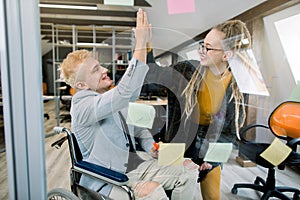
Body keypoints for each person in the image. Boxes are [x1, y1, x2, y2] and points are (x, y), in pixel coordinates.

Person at [60, 8, 198, 200]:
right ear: (82, 85)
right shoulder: (82, 106)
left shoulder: (110, 98)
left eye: (100, 65)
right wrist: (140, 42)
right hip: (107, 177)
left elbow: (139, 128)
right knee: (153, 190)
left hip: (135, 164)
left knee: (190, 169)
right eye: (95, 70)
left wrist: (151, 147)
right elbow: (124, 93)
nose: (104, 70)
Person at [181, 20, 250, 200]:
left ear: (226, 55)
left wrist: (212, 160)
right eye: (202, 45)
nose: (201, 51)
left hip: (213, 142)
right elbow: (154, 73)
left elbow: (230, 132)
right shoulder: (190, 70)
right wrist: (145, 44)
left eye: (208, 48)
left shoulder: (237, 88)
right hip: (184, 141)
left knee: (212, 197)